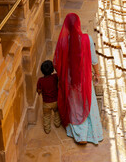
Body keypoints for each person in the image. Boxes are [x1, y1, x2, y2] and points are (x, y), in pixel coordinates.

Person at [53, 13, 103, 145]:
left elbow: (57, 62)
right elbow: (94, 61)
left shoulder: (63, 42)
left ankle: (80, 135)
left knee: (74, 106)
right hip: (84, 79)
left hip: (70, 80)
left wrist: (64, 76)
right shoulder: (87, 39)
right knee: (86, 103)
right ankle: (90, 133)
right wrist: (97, 74)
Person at [37, 60, 61, 134]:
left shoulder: (40, 80)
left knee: (46, 116)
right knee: (57, 112)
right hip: (56, 100)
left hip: (46, 103)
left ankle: (47, 129)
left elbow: (39, 90)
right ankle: (57, 124)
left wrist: (40, 92)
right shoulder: (55, 77)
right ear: (52, 69)